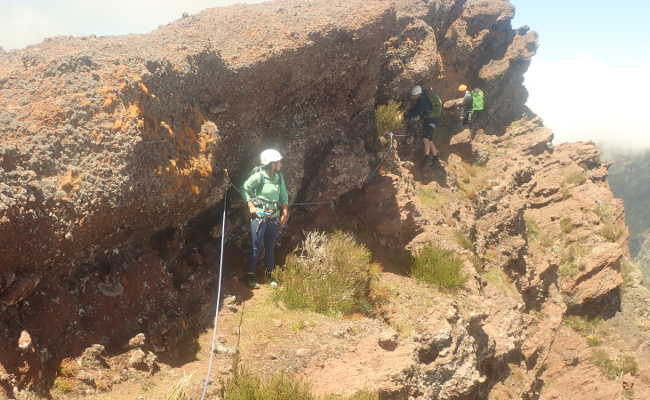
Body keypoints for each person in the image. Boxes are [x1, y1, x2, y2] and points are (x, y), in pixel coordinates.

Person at [241, 149, 289, 289]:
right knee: (257, 246)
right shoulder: (260, 176)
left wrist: (285, 211)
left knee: (270, 247)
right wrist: (250, 205)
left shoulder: (279, 177)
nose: (281, 164)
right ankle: (250, 275)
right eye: (278, 161)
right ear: (271, 163)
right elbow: (245, 188)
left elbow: (283, 195)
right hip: (260, 217)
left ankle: (269, 275)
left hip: (273, 217)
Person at [406, 85, 442, 166]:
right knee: (429, 139)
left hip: (431, 119)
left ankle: (427, 158)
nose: (413, 97)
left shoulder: (423, 101)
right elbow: (417, 109)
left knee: (425, 138)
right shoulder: (423, 98)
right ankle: (436, 156)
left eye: (414, 96)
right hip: (432, 118)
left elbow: (417, 111)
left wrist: (406, 115)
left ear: (418, 94)